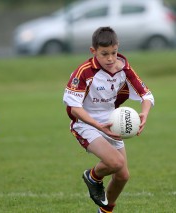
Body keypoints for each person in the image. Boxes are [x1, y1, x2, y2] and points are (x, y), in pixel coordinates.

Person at [63, 27, 154, 213]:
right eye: (104, 54)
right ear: (93, 51)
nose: (110, 58)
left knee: (122, 176)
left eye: (113, 52)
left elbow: (146, 95)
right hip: (86, 124)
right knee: (116, 163)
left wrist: (144, 113)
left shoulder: (125, 70)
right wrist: (98, 126)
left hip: (112, 123)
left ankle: (104, 212)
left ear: (117, 47)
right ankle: (92, 177)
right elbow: (74, 107)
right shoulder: (84, 72)